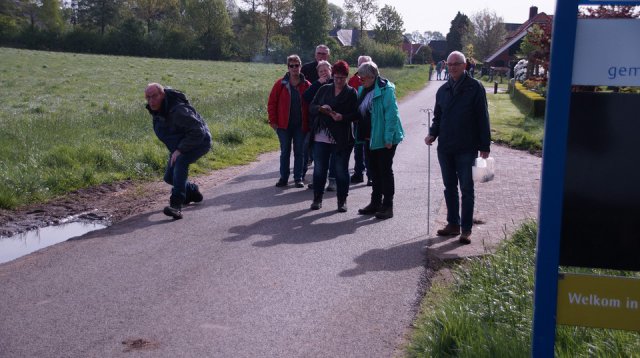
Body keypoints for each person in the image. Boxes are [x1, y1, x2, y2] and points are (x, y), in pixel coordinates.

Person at [425, 51, 491, 244]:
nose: (452, 67)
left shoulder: (475, 88)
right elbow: (438, 117)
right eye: (450, 64)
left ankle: (466, 228)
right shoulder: (443, 90)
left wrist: (484, 145)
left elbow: (483, 117)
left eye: (456, 64)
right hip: (445, 146)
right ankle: (453, 224)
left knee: (467, 188)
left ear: (465, 66)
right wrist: (432, 134)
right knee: (449, 187)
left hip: (466, 147)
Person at [144, 83, 212, 220]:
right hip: (181, 145)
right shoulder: (157, 111)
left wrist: (180, 150)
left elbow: (198, 131)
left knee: (181, 162)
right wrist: (177, 149)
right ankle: (192, 192)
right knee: (169, 177)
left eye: (155, 96)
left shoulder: (178, 110)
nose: (151, 101)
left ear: (162, 95)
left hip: (199, 141)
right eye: (148, 97)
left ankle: (176, 206)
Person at [355, 62, 404, 220]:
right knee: (373, 171)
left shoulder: (386, 89)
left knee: (384, 171)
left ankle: (388, 205)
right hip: (369, 138)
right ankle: (375, 202)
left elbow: (392, 115)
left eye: (363, 77)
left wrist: (388, 138)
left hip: (384, 139)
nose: (360, 80)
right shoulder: (363, 89)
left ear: (371, 76)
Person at [308, 60, 358, 211]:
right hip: (321, 136)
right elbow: (312, 107)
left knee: (341, 171)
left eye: (342, 78)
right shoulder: (324, 89)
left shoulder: (351, 93)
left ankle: (342, 201)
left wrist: (342, 117)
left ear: (346, 77)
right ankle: (317, 199)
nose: (338, 80)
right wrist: (321, 109)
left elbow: (356, 114)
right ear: (333, 75)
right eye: (336, 77)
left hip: (342, 138)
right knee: (319, 170)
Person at [268, 54, 311, 188]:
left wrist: (309, 124)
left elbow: (311, 105)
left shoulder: (307, 84)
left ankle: (298, 178)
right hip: (283, 125)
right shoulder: (280, 84)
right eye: (291, 66)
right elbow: (272, 103)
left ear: (300, 67)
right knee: (285, 151)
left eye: (296, 65)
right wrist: (273, 121)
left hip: (300, 125)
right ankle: (283, 178)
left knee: (299, 152)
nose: (294, 68)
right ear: (288, 67)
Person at [303, 60, 336, 190]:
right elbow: (306, 97)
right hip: (318, 125)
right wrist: (318, 83)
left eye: (325, 70)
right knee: (319, 155)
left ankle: (332, 181)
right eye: (320, 71)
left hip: (334, 125)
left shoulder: (336, 82)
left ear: (330, 70)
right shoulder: (317, 85)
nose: (323, 73)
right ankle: (318, 179)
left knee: (333, 155)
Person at [347, 55, 372, 186]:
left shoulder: (376, 82)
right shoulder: (352, 81)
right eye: (361, 65)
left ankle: (371, 175)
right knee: (358, 148)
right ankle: (358, 173)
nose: (364, 67)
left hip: (371, 122)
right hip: (357, 120)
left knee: (369, 149)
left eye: (366, 64)